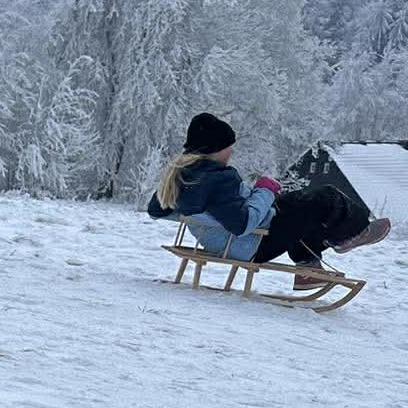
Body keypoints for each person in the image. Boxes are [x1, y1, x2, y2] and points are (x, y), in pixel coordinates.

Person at [149, 113, 392, 285]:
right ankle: (355, 232)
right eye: (227, 146)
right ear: (214, 149)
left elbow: (157, 210)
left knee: (297, 202)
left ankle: (307, 267)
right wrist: (264, 190)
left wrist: (204, 218)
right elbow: (243, 224)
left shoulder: (181, 175)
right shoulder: (220, 179)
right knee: (323, 198)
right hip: (250, 244)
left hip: (225, 243)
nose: (231, 151)